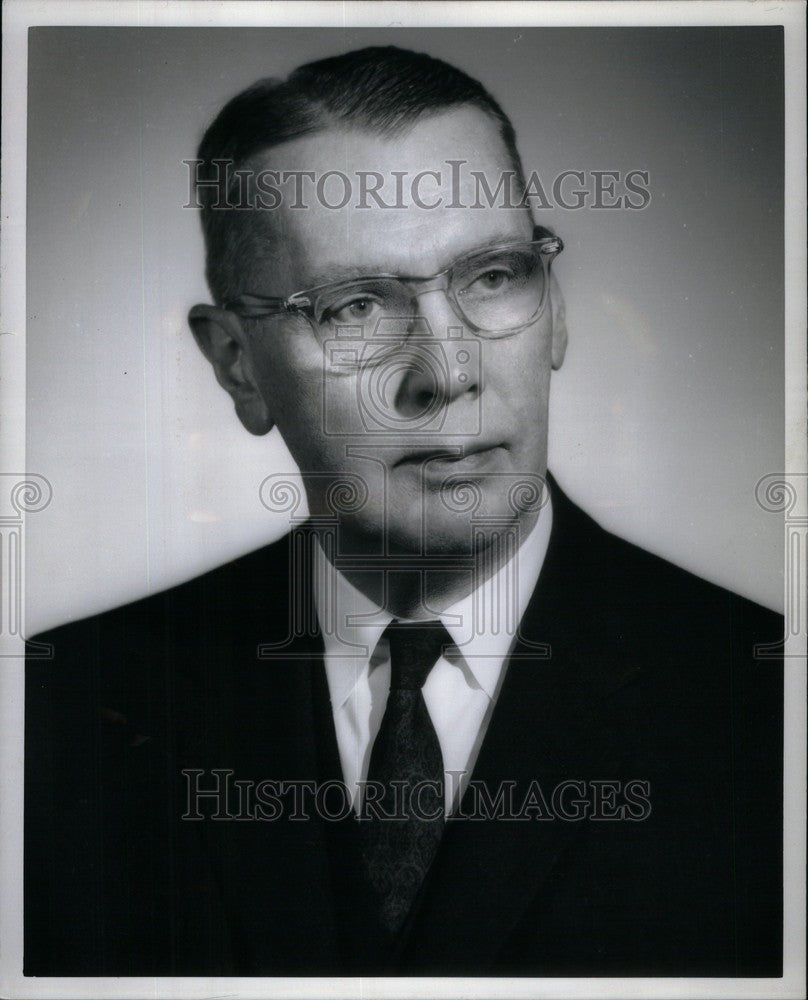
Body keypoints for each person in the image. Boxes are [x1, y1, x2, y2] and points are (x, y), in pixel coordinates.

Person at [25, 46, 783, 977]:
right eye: (354, 307)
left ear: (558, 306)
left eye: (493, 277)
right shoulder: (58, 715)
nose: (450, 371)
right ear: (236, 364)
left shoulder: (768, 705)